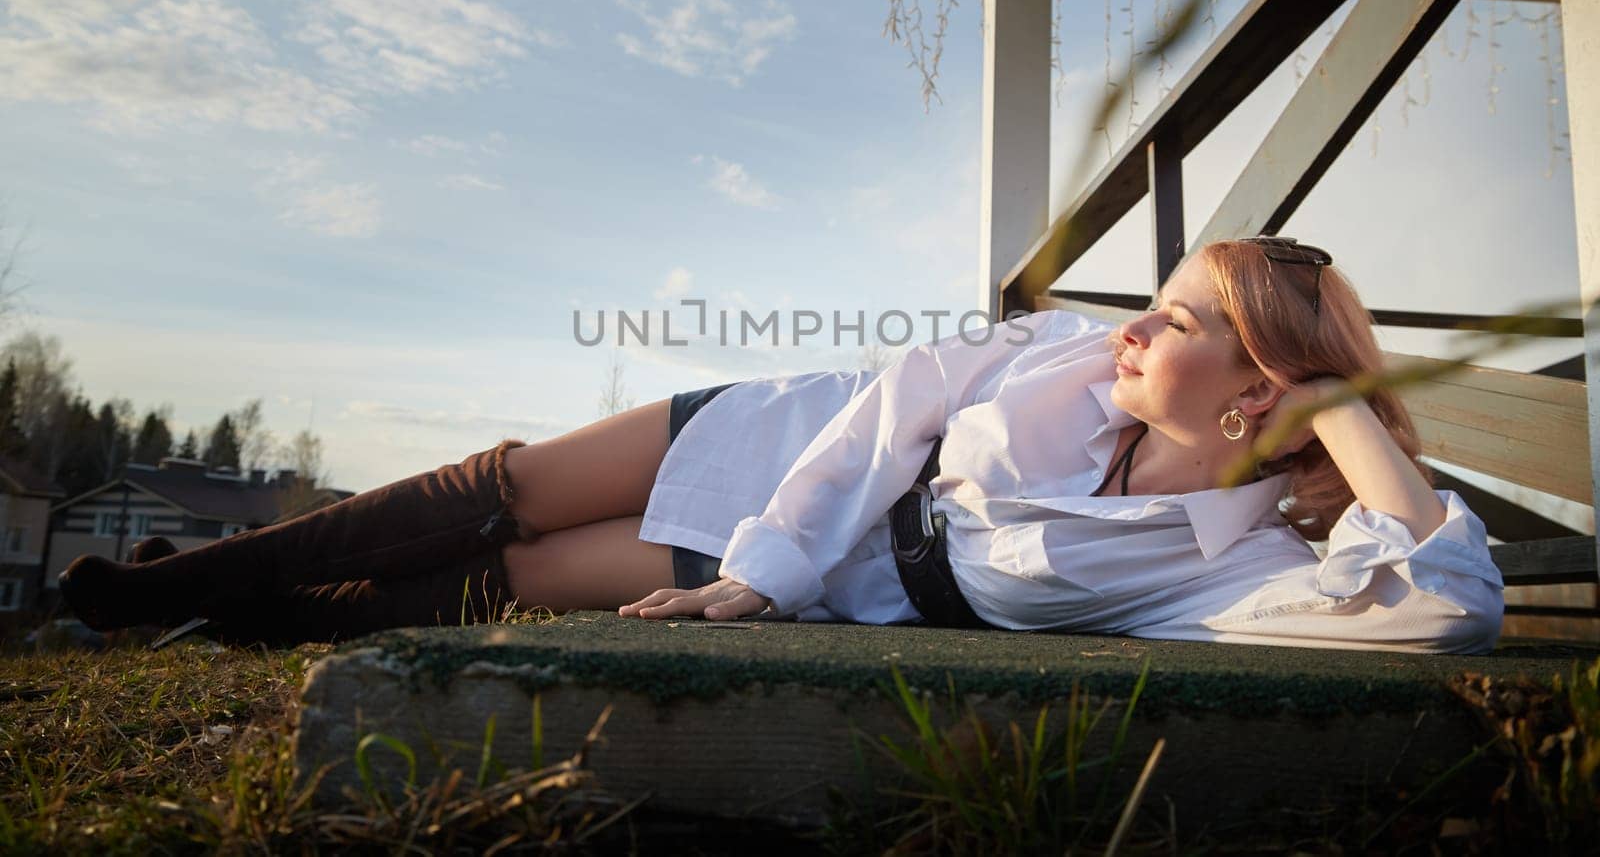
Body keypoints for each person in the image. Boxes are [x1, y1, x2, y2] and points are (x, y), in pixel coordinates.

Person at [59, 237, 1504, 653]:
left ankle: (233, 615)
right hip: (807, 452)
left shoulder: (1214, 569)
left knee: (514, 573)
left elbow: (1447, 611)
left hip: (853, 578)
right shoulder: (1070, 355)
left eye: (1176, 320)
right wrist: (763, 563)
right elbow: (893, 408)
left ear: (1258, 397)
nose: (1129, 327)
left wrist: (1351, 417)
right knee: (497, 486)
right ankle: (189, 575)